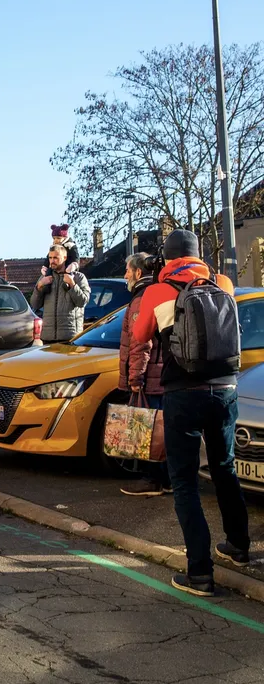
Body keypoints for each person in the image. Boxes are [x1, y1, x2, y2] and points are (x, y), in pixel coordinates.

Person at [133, 229, 250, 596]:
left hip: (184, 392)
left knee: (184, 481)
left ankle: (199, 573)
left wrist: (156, 285)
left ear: (167, 259)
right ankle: (239, 547)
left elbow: (140, 335)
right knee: (224, 467)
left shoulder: (159, 289)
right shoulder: (223, 282)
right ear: (198, 255)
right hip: (226, 388)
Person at [115, 253, 171, 497]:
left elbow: (140, 341)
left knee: (148, 431)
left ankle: (153, 480)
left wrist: (135, 377)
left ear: (138, 272)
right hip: (160, 375)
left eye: (128, 270)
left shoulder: (141, 298)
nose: (125, 275)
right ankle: (166, 479)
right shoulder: (157, 292)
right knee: (160, 430)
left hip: (149, 378)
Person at [31, 244, 91, 344]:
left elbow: (82, 302)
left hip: (70, 337)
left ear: (65, 258)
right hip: (48, 338)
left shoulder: (78, 277)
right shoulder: (45, 278)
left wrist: (72, 284)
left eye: (55, 257)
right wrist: (39, 286)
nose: (52, 261)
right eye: (50, 257)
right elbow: (35, 304)